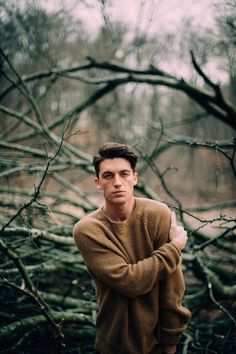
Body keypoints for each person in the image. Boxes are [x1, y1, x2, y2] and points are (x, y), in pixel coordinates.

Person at [73, 142, 191, 354]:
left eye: (124, 174)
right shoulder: (88, 229)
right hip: (114, 342)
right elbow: (129, 281)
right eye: (108, 176)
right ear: (97, 182)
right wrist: (174, 248)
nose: (117, 182)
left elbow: (173, 285)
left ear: (135, 178)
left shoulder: (157, 214)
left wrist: (171, 339)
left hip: (159, 344)